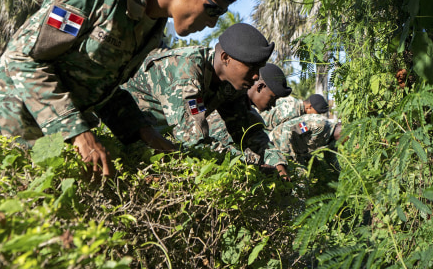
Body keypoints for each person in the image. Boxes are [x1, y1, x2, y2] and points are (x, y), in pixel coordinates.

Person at [0, 0, 249, 177]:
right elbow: (23, 57)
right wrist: (77, 132)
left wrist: (143, 133)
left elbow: (104, 91)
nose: (213, 25)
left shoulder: (151, 28)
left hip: (50, 140)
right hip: (5, 124)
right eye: (213, 11)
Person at [99, 23, 290, 178]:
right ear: (225, 58)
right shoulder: (185, 71)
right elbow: (194, 142)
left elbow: (247, 130)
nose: (257, 77)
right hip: (122, 134)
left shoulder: (233, 83)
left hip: (157, 139)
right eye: (252, 68)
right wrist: (250, 165)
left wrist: (276, 161)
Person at [264, 93, 341, 164]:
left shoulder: (304, 118)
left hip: (287, 144)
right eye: (318, 113)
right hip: (268, 136)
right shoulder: (292, 110)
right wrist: (286, 157)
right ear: (309, 107)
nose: (319, 115)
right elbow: (287, 129)